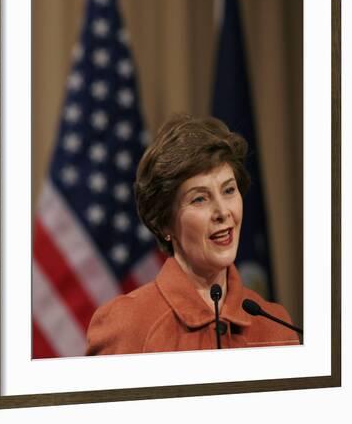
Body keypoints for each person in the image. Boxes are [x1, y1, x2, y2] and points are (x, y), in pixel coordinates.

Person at [86, 114, 300, 355]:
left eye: (229, 190)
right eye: (200, 198)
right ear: (165, 224)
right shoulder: (126, 326)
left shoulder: (276, 327)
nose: (222, 212)